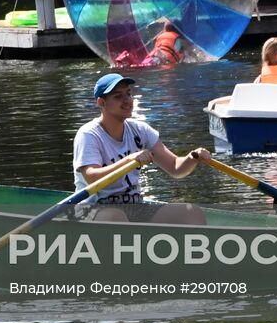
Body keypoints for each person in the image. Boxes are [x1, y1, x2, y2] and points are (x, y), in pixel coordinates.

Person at [73, 74, 211, 224]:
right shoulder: (89, 134)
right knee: (115, 217)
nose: (127, 100)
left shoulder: (140, 129)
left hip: (134, 207)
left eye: (128, 94)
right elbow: (92, 177)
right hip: (93, 209)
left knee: (191, 212)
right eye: (118, 96)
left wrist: (192, 158)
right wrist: (129, 160)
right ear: (102, 102)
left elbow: (175, 168)